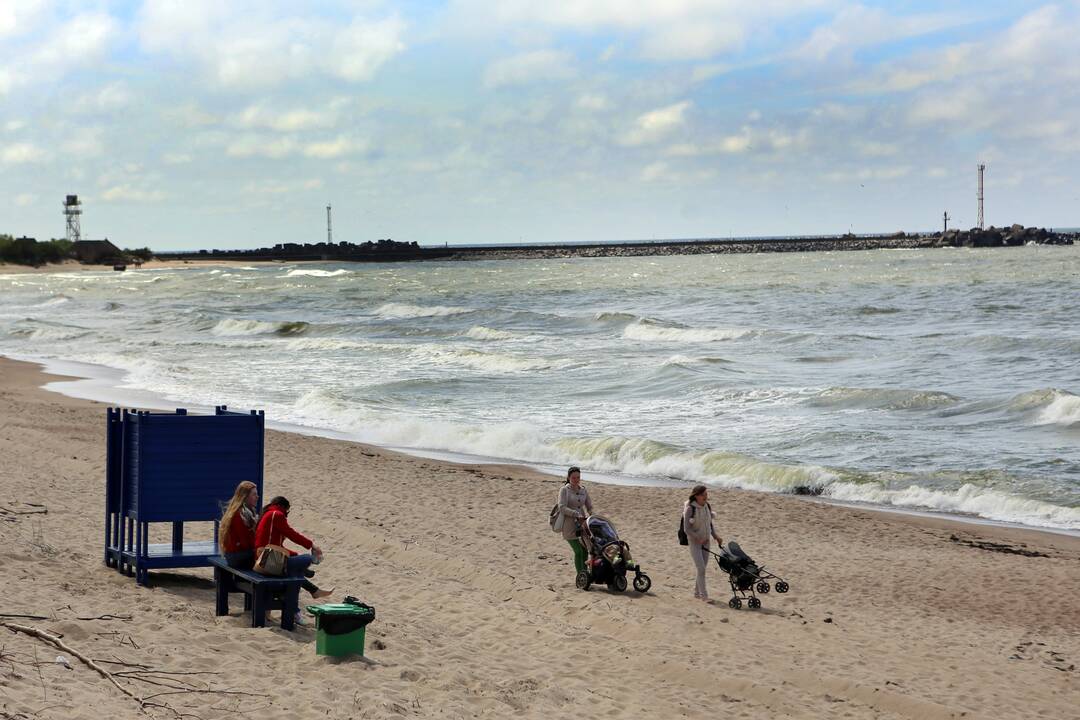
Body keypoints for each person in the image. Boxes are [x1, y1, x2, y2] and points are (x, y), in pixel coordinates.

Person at [253, 495, 334, 608]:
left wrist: (294, 554)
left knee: (296, 566)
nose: (287, 514)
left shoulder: (268, 513)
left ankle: (312, 590)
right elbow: (291, 534)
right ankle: (302, 601)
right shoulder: (277, 515)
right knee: (307, 559)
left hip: (263, 556)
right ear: (283, 507)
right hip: (266, 560)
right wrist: (312, 545)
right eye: (287, 511)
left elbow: (277, 546)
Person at [683, 485, 722, 602]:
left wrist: (716, 536)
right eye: (703, 494)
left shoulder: (707, 506)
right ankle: (704, 596)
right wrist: (697, 538)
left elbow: (710, 524)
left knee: (702, 569)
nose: (706, 497)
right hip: (695, 543)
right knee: (701, 569)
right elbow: (686, 529)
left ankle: (696, 592)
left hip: (706, 541)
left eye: (706, 494)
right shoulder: (690, 509)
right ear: (696, 496)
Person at [557, 466, 593, 577]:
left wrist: (592, 515)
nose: (576, 480)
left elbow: (589, 506)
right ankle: (580, 576)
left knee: (585, 551)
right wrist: (575, 514)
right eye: (573, 477)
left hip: (582, 525)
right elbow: (561, 507)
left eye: (578, 477)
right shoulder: (564, 490)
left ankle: (585, 575)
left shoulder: (583, 489)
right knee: (578, 551)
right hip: (569, 526)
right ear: (568, 477)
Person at [219, 480, 259, 571]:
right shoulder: (239, 514)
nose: (257, 497)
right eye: (254, 494)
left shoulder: (246, 511)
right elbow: (245, 541)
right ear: (245, 496)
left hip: (236, 554)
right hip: (237, 557)